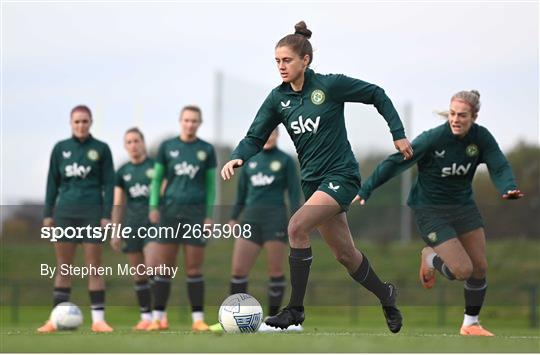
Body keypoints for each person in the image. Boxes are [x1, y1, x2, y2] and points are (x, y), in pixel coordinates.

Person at [221, 21, 412, 333]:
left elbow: (377, 94)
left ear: (305, 61)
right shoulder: (277, 99)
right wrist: (237, 156)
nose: (281, 67)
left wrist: (398, 134)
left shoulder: (329, 86)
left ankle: (295, 310)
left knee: (296, 227)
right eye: (277, 61)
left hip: (342, 176)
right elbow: (255, 137)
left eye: (287, 60)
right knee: (346, 255)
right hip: (313, 184)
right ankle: (386, 295)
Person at [356, 90, 524, 336]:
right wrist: (367, 188)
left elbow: (498, 163)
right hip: (430, 210)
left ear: (474, 116)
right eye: (453, 114)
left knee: (479, 267)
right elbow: (395, 162)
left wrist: (508, 186)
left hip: (464, 208)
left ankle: (471, 324)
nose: (456, 119)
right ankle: (430, 258)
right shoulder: (433, 139)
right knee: (462, 270)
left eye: (462, 115)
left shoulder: (481, 138)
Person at [213, 128, 302, 332]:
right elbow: (241, 193)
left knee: (276, 271)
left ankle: (273, 320)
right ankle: (233, 318)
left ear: (278, 135)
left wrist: (296, 219)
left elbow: (294, 193)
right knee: (238, 271)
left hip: (275, 222)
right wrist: (234, 217)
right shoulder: (249, 161)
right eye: (266, 132)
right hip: (250, 221)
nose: (269, 136)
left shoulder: (286, 161)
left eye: (273, 132)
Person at [39, 105, 115, 333]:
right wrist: (47, 214)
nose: (81, 125)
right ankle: (55, 320)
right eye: (77, 122)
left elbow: (109, 183)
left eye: (84, 121)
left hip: (92, 213)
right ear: (71, 123)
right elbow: (52, 182)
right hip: (65, 213)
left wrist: (106, 214)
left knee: (94, 267)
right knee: (64, 268)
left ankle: (98, 320)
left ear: (91, 122)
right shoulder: (60, 149)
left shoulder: (101, 149)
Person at [147, 105, 217, 331]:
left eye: (195, 120)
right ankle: (158, 318)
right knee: (164, 269)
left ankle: (198, 320)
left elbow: (210, 185)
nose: (190, 124)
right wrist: (154, 205)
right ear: (181, 121)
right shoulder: (168, 147)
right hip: (169, 213)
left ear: (200, 123)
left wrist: (208, 215)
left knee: (194, 269)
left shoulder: (206, 149)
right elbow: (157, 180)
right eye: (187, 120)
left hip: (195, 215)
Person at [110, 127, 155, 330]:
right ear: (125, 146)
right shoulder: (123, 172)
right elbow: (118, 203)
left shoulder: (156, 167)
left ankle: (158, 315)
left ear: (143, 142)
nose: (133, 145)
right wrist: (116, 231)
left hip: (154, 226)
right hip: (132, 225)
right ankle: (146, 317)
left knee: (153, 267)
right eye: (129, 142)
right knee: (139, 273)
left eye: (136, 140)